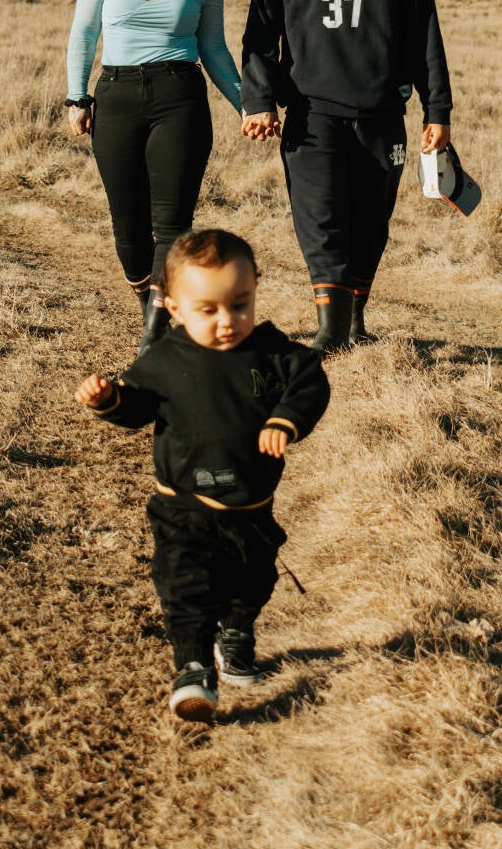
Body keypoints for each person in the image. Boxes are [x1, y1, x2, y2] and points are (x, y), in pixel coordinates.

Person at [75, 228, 330, 723]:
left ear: (255, 289)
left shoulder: (273, 353)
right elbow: (138, 407)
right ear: (174, 308)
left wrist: (285, 419)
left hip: (251, 504)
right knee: (185, 586)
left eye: (240, 304)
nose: (227, 321)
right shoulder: (164, 360)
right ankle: (193, 669)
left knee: (254, 580)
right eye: (208, 310)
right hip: (182, 506)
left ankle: (235, 634)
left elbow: (310, 382)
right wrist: (110, 401)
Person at [240, 0, 453, 353]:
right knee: (321, 219)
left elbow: (424, 29)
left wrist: (437, 108)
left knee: (371, 222)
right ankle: (331, 331)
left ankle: (354, 320)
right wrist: (259, 100)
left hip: (381, 112)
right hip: (311, 113)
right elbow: (260, 33)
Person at [65, 0, 242, 355]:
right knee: (128, 228)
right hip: (117, 96)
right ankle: (152, 304)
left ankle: (153, 337)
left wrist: (247, 104)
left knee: (172, 224)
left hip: (179, 97)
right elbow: (84, 32)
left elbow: (214, 49)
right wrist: (76, 97)